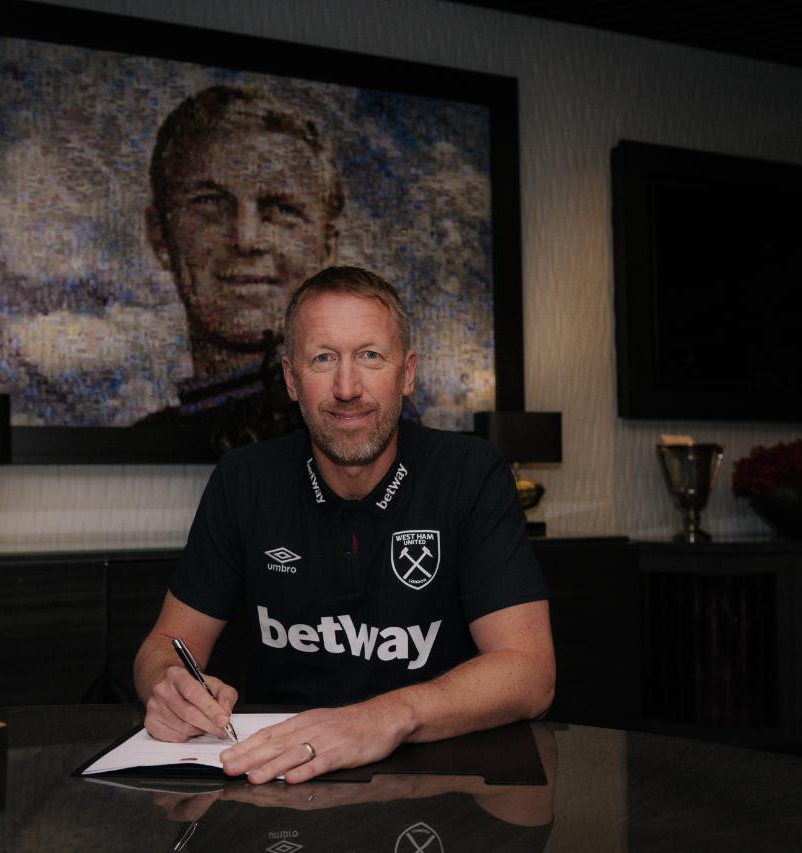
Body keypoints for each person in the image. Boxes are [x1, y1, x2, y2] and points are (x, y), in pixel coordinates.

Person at [134, 265, 554, 784]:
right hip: (275, 774)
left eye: (370, 356)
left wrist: (383, 718)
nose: (347, 387)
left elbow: (530, 673)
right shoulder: (244, 479)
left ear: (407, 372)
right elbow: (167, 642)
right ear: (291, 379)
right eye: (323, 358)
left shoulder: (470, 473)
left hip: (431, 777)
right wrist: (168, 685)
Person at [141, 85, 344, 450]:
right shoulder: (147, 440)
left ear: (327, 247)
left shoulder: (364, 429)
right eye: (210, 203)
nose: (246, 239)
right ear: (160, 235)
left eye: (282, 210)